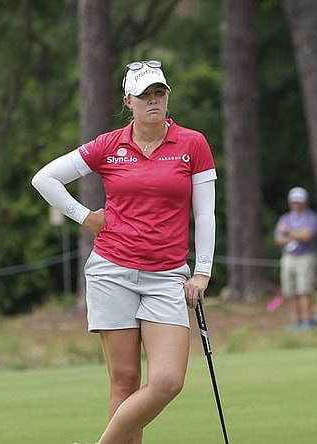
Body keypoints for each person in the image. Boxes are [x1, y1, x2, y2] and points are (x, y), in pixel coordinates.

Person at [31, 59, 216, 444]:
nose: (153, 101)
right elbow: (44, 178)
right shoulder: (109, 146)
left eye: (159, 93)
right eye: (144, 95)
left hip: (167, 275)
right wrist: (84, 217)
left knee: (167, 381)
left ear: (168, 98)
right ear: (127, 101)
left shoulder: (192, 144)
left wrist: (203, 271)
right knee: (125, 383)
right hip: (111, 270)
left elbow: (205, 212)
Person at [274, 186, 317, 330]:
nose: (296, 204)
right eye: (294, 201)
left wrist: (288, 232)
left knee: (304, 290)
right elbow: (278, 239)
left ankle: (307, 320)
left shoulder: (312, 217)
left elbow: (307, 236)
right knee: (291, 291)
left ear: (305, 202)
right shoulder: (285, 218)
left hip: (305, 257)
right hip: (288, 257)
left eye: (299, 201)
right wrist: (297, 235)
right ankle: (296, 321)